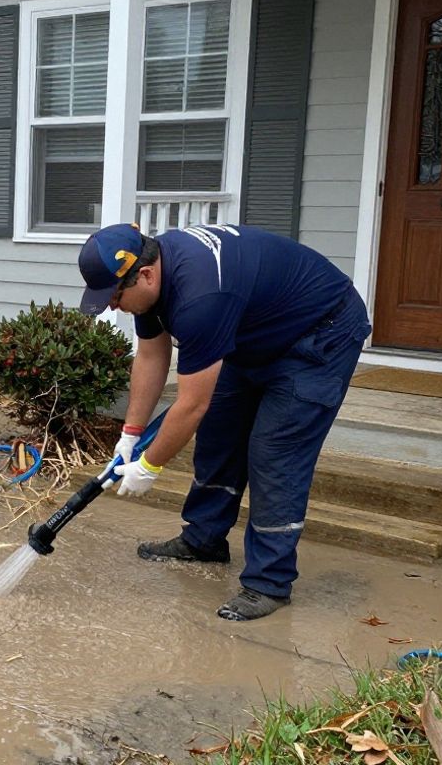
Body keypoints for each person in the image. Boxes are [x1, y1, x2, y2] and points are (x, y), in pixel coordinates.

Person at [78, 222, 371, 621]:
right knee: (219, 431)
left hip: (321, 333)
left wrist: (149, 466)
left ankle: (269, 582)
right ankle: (204, 540)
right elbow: (151, 356)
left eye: (115, 296)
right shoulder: (153, 278)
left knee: (274, 453)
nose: (113, 307)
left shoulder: (200, 296)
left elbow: (190, 405)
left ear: (145, 275)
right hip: (255, 330)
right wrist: (130, 434)